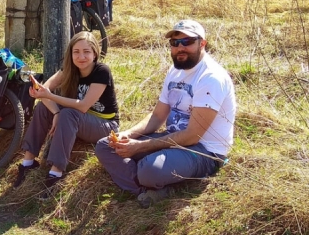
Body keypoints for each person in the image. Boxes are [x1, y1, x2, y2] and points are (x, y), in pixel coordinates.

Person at [94, 19, 236, 208]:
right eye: (175, 43)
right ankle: (147, 190)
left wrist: (141, 147)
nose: (180, 48)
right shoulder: (175, 71)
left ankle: (149, 179)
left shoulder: (211, 78)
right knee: (105, 146)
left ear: (202, 43)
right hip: (173, 140)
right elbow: (157, 116)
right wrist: (128, 135)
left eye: (187, 42)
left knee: (148, 170)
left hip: (204, 151)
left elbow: (193, 135)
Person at [14, 31, 119, 192]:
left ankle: (56, 173)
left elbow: (83, 106)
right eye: (76, 52)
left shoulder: (101, 71)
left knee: (68, 113)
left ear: (95, 53)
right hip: (81, 118)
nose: (81, 57)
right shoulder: (70, 69)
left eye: (86, 52)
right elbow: (45, 89)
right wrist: (55, 112)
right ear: (70, 54)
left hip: (104, 125)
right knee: (43, 108)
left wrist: (50, 97)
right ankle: (27, 163)